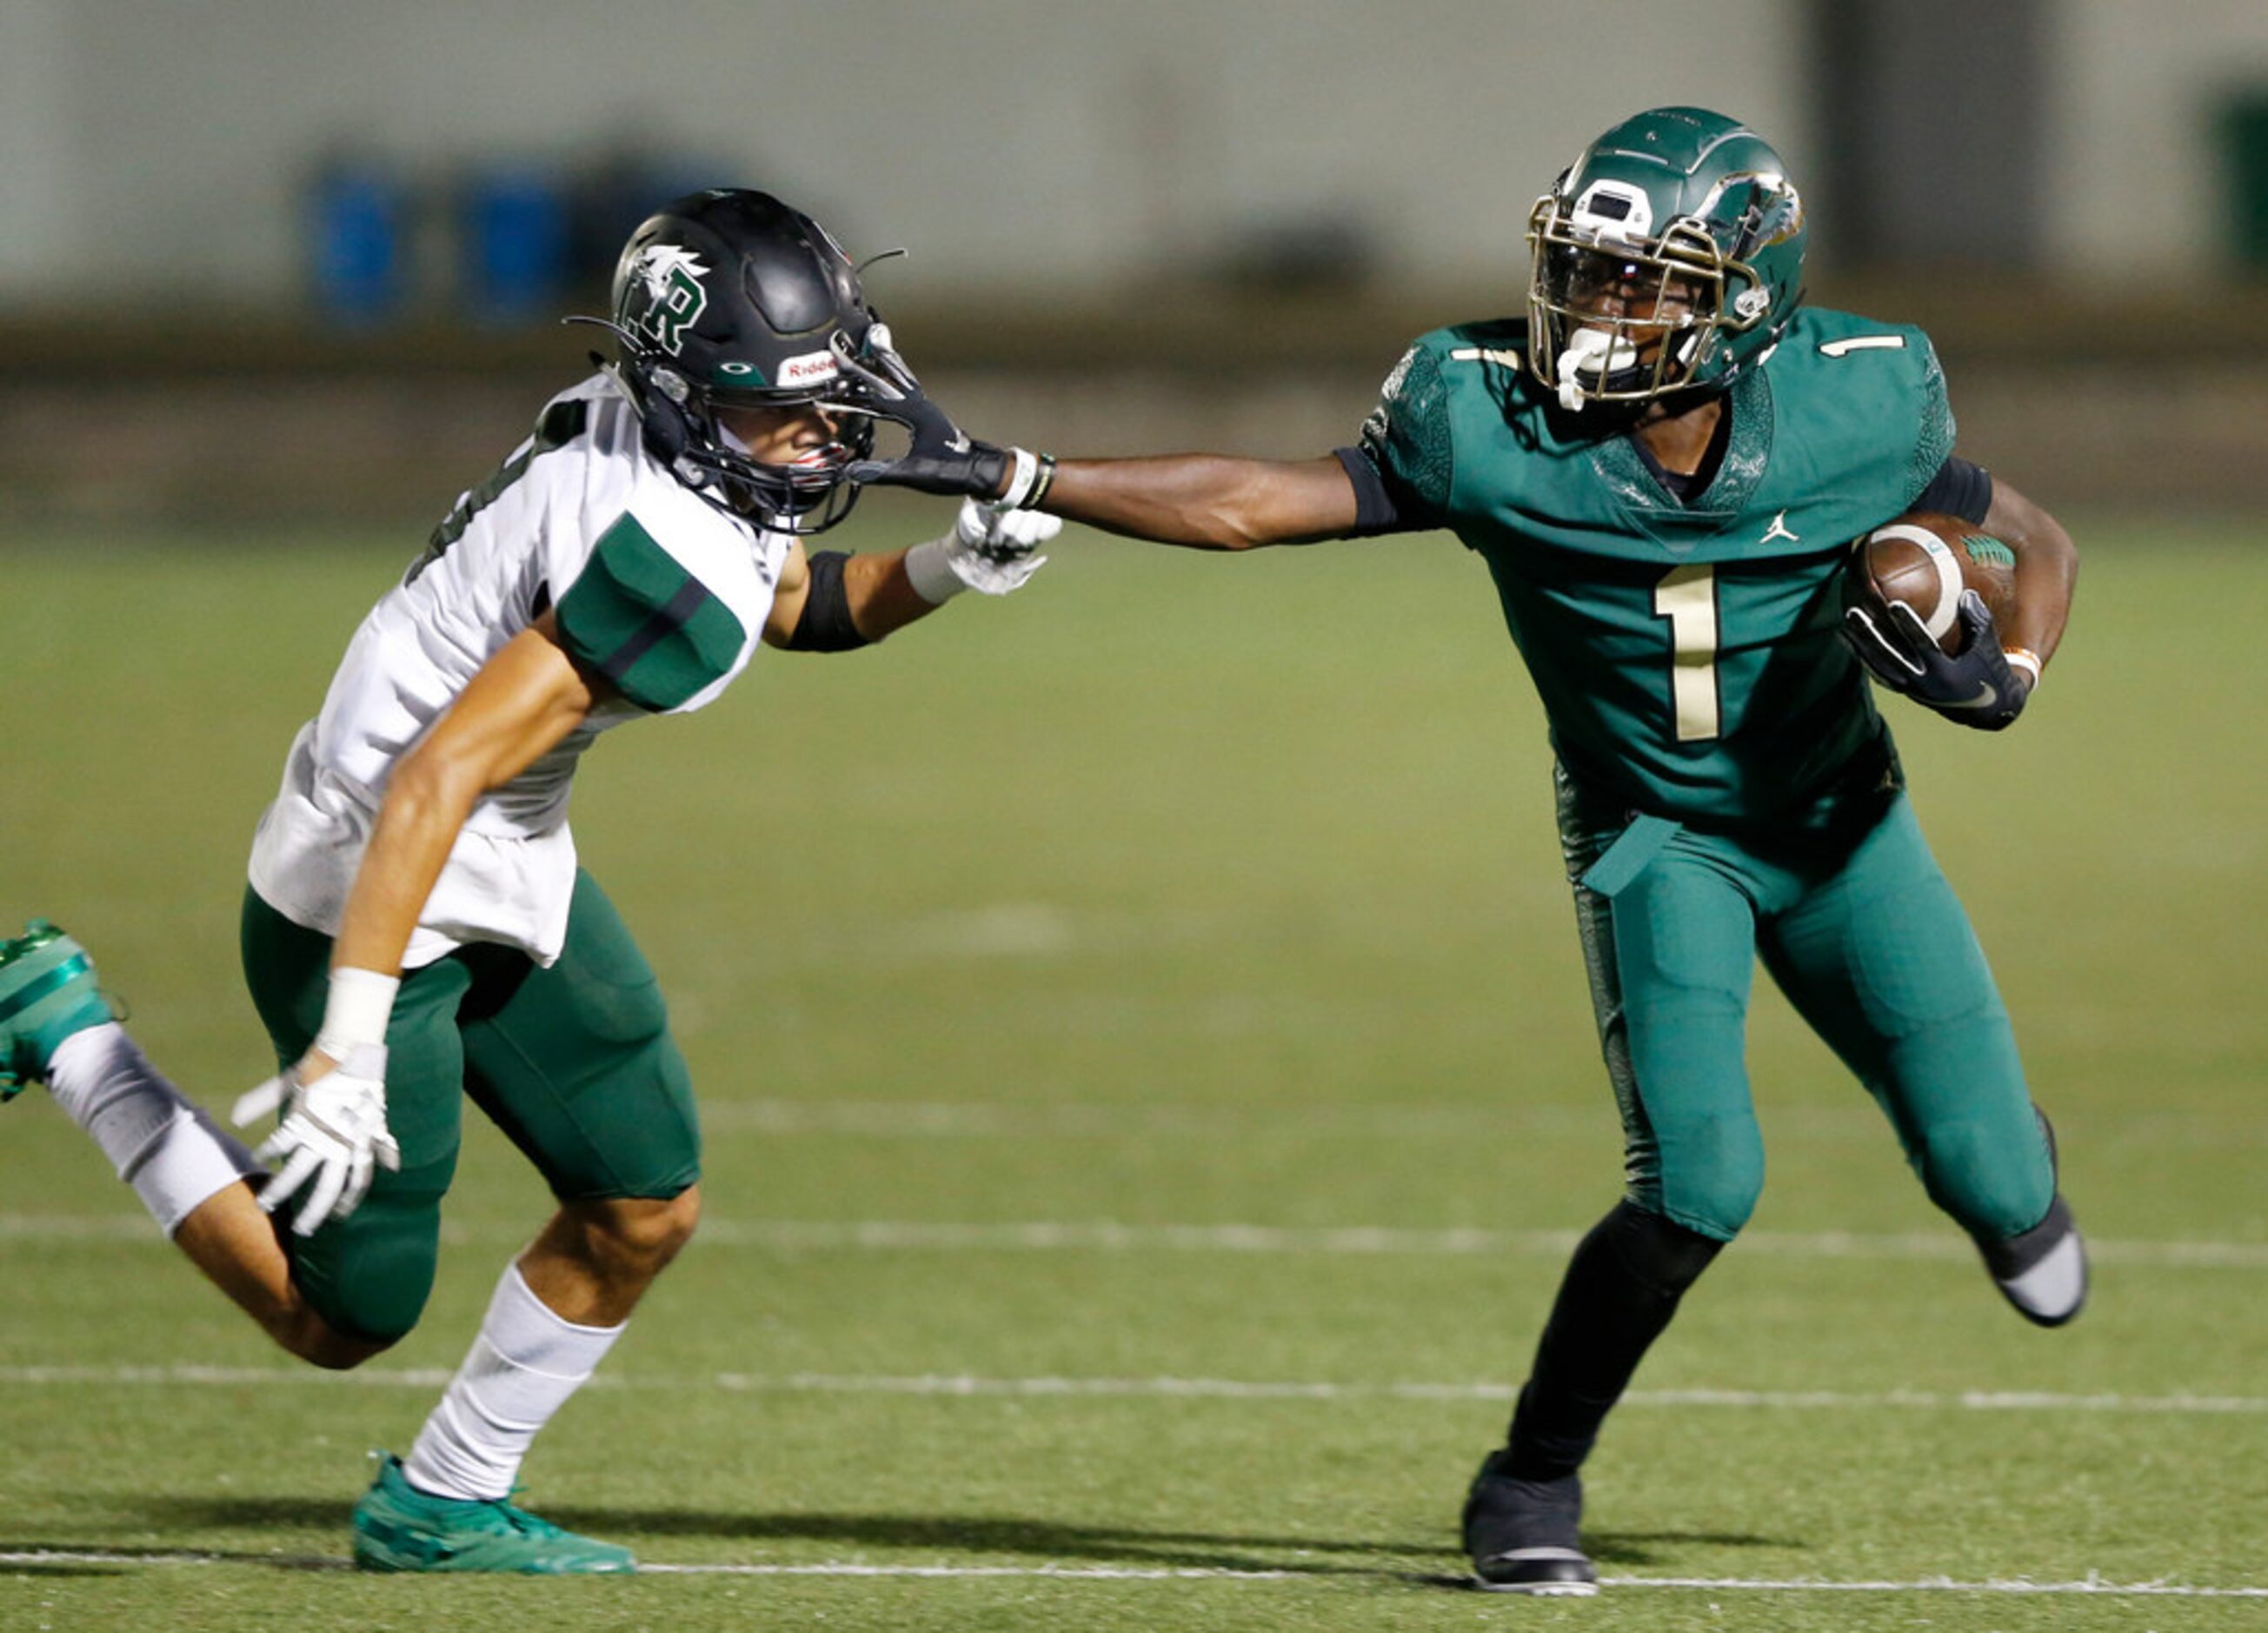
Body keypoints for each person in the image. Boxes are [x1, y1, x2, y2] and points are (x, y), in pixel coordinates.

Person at [847, 106, 2086, 1596]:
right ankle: (1528, 1481)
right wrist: (1020, 469)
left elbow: (2036, 543)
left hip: (1842, 828)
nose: (1594, 313)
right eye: (1584, 271)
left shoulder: (1858, 402)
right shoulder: (1482, 410)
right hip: (1655, 835)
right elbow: (1256, 502)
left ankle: (2002, 1163)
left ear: (1746, 302)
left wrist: (2002, 669)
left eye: (1647, 287)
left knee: (2005, 1200)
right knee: (1700, 1182)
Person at [0, 187, 1053, 1573]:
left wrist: (940, 566)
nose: (816, 431)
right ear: (685, 406)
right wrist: (348, 1046)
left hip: (495, 845)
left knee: (641, 1198)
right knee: (343, 1314)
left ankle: (439, 1501)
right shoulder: (660, 544)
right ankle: (67, 1034)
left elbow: (786, 596)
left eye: (828, 389)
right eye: (769, 408)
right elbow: (436, 776)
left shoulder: (668, 450)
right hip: (370, 875)